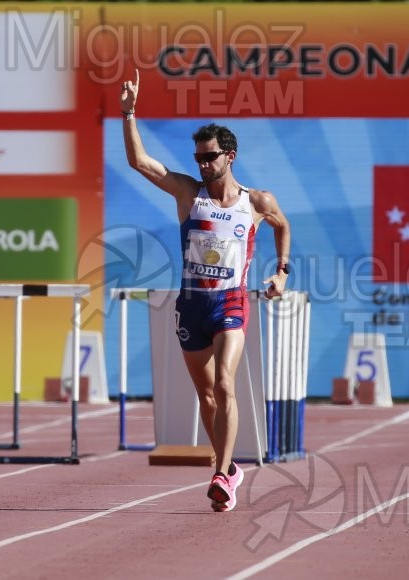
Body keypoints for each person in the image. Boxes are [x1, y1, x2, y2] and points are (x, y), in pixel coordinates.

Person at [120, 70, 291, 512]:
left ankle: (223, 473)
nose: (201, 164)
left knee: (225, 382)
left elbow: (283, 226)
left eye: (209, 157)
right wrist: (129, 112)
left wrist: (281, 273)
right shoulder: (188, 194)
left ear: (229, 156)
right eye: (197, 156)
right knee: (207, 396)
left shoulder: (257, 202)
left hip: (230, 301)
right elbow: (140, 162)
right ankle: (227, 467)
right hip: (191, 304)